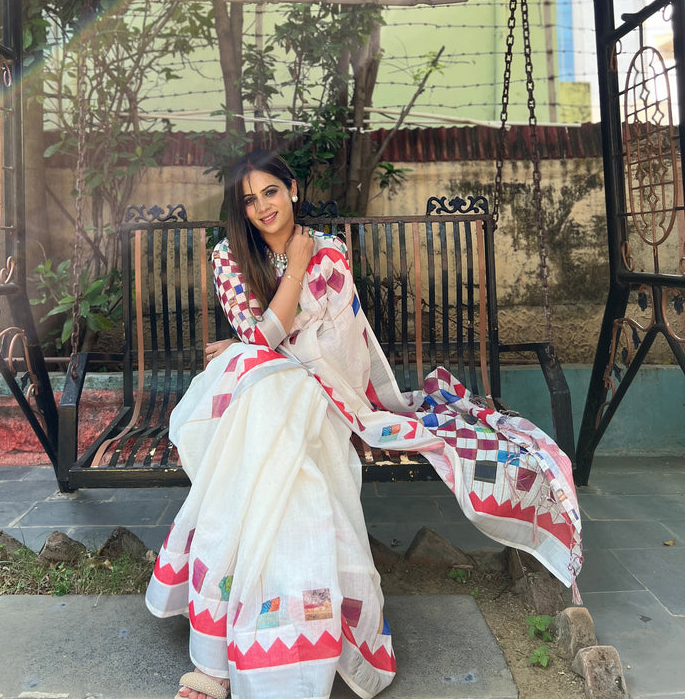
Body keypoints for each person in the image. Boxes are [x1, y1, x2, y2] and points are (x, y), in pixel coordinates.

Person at [146, 150, 582, 699]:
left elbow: (334, 352)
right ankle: (274, 643)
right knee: (270, 411)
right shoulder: (228, 257)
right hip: (255, 395)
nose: (262, 208)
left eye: (271, 193)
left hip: (321, 396)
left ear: (293, 189)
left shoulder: (329, 253)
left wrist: (260, 338)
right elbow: (263, 342)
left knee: (272, 431)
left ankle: (220, 658)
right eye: (249, 200)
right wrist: (267, 327)